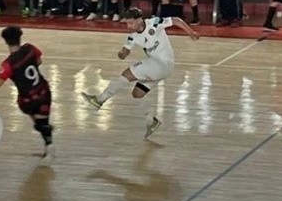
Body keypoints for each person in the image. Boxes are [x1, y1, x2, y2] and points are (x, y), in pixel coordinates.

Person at [80, 7, 199, 139]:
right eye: (126, 23)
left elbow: (176, 20)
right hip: (158, 68)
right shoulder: (132, 37)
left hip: (163, 64)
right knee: (137, 94)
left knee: (127, 74)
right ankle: (151, 121)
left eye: (130, 23)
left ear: (139, 20)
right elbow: (125, 51)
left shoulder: (154, 23)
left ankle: (100, 99)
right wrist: (122, 54)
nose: (128, 26)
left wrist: (191, 32)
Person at [0, 26, 54, 160]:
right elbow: (39, 61)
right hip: (44, 91)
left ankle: (49, 145)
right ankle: (47, 143)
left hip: (27, 99)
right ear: (20, 38)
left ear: (5, 41)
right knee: (42, 123)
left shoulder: (8, 64)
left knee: (38, 122)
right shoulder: (30, 48)